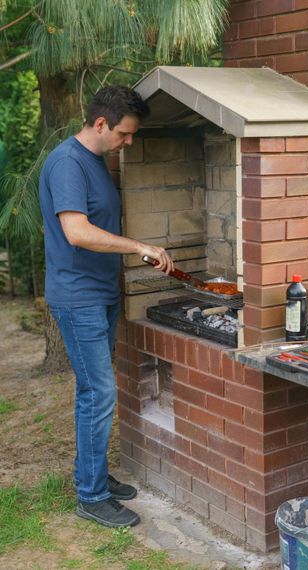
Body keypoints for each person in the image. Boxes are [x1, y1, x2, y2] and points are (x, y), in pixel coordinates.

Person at [39, 86, 173, 528]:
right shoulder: (67, 164)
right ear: (100, 124)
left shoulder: (95, 160)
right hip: (78, 300)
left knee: (92, 394)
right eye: (124, 134)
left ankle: (91, 475)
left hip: (101, 295)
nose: (128, 142)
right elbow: (76, 232)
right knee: (100, 393)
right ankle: (91, 497)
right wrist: (140, 247)